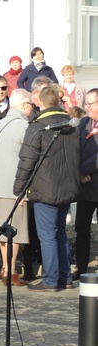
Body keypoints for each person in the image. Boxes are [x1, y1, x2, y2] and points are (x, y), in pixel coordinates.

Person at [14, 86, 80, 292]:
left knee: (48, 235)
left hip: (45, 189)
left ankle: (51, 280)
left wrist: (18, 188)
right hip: (67, 187)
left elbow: (27, 160)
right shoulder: (72, 126)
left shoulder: (38, 127)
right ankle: (65, 277)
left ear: (40, 103)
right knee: (60, 232)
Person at [0, 88, 34, 286]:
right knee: (16, 231)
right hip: (16, 187)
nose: (33, 108)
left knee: (3, 231)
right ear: (23, 106)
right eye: (31, 104)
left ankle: (5, 267)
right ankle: (12, 271)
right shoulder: (24, 126)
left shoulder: (0, 123)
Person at [74, 88, 98, 279]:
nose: (86, 107)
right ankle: (81, 268)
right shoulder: (83, 123)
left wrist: (84, 169)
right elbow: (75, 149)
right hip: (85, 187)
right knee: (81, 228)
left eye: (90, 104)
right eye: (86, 104)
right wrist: (79, 171)